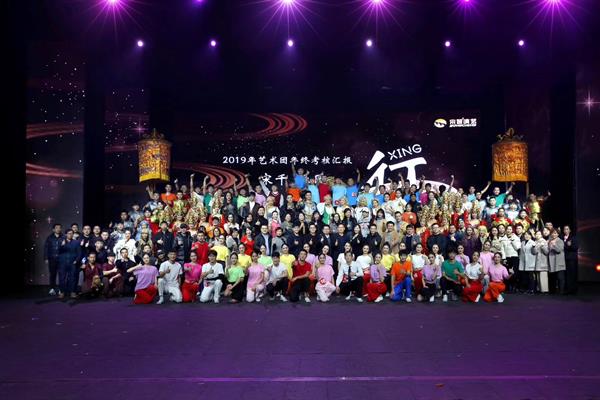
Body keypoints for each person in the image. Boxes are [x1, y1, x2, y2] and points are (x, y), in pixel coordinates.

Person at [58, 229, 82, 299]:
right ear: (66, 234)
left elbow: (79, 253)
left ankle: (72, 292)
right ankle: (62, 292)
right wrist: (61, 246)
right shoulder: (61, 241)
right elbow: (58, 252)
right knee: (62, 278)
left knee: (73, 278)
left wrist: (76, 260)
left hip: (73, 263)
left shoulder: (76, 242)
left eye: (71, 233)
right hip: (63, 263)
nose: (70, 235)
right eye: (68, 233)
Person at [44, 223, 63, 296]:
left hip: (61, 259)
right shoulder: (49, 238)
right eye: (56, 228)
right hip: (52, 259)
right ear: (53, 229)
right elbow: (46, 248)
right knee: (52, 274)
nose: (58, 229)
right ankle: (52, 289)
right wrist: (46, 258)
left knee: (62, 274)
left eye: (59, 228)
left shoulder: (63, 237)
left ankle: (61, 289)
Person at [547, 229, 566, 295]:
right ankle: (553, 291)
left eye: (555, 233)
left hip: (559, 261)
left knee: (560, 277)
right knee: (553, 277)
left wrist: (554, 245)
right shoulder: (550, 241)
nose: (554, 234)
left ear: (558, 234)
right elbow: (548, 251)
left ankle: (561, 291)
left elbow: (559, 250)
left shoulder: (560, 241)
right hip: (551, 261)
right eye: (552, 233)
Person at [562, 225, 578, 295]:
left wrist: (570, 245)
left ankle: (573, 289)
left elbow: (576, 247)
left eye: (567, 229)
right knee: (566, 274)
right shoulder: (562, 238)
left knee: (572, 274)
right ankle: (567, 289)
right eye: (564, 229)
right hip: (564, 259)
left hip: (571, 259)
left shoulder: (573, 237)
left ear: (570, 230)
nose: (566, 230)